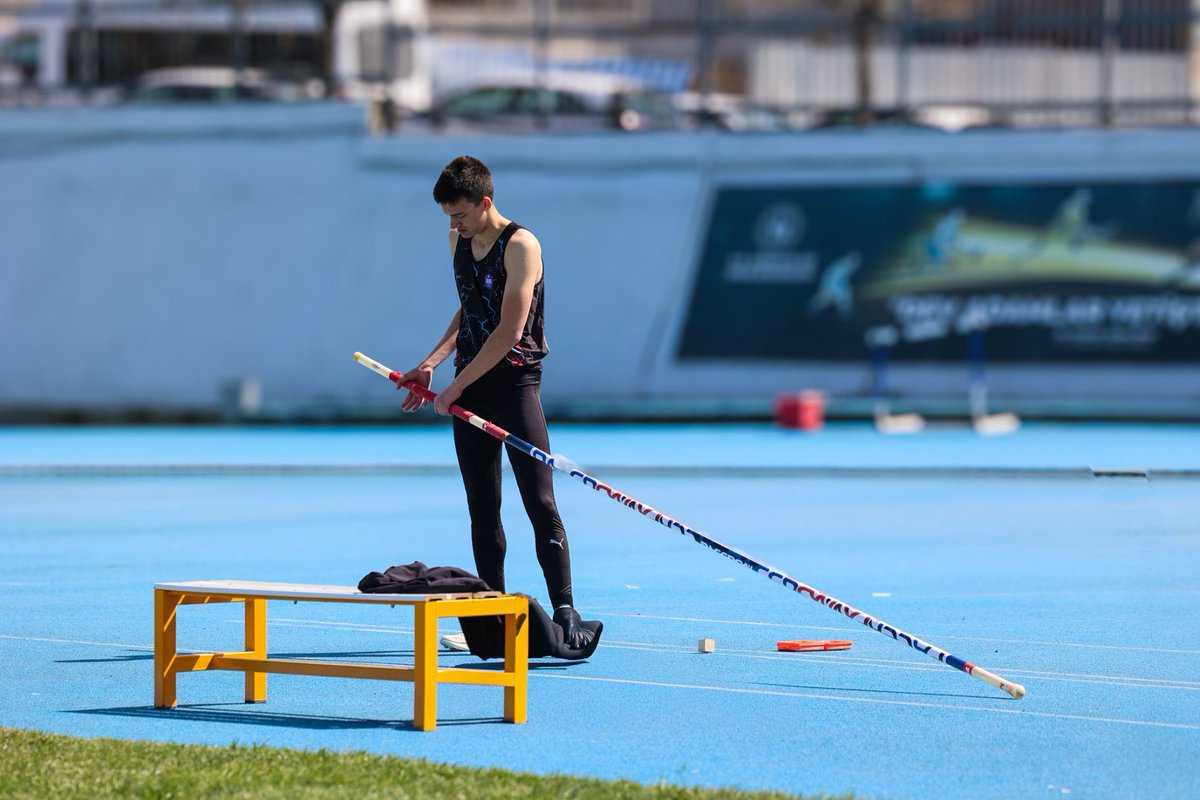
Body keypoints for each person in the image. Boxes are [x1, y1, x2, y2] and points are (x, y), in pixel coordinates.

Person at [396, 155, 593, 650]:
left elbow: (508, 329)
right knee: (482, 508)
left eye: (460, 214)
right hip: (469, 383)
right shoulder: (456, 240)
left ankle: (565, 610)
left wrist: (457, 386)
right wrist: (433, 363)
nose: (454, 225)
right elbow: (471, 307)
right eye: (448, 217)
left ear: (486, 203)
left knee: (540, 501)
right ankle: (492, 612)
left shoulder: (522, 245)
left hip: (514, 385)